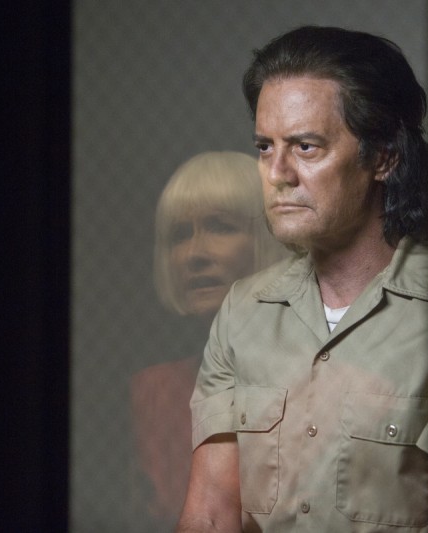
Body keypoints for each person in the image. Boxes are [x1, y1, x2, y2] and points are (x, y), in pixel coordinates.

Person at [176, 26, 428, 532]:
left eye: (306, 147)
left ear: (383, 157)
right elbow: (209, 514)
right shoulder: (244, 311)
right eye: (264, 146)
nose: (278, 173)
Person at [130, 151, 289, 529]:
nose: (194, 255)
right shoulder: (155, 391)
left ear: (268, 238)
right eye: (180, 236)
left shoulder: (320, 373)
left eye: (220, 227)